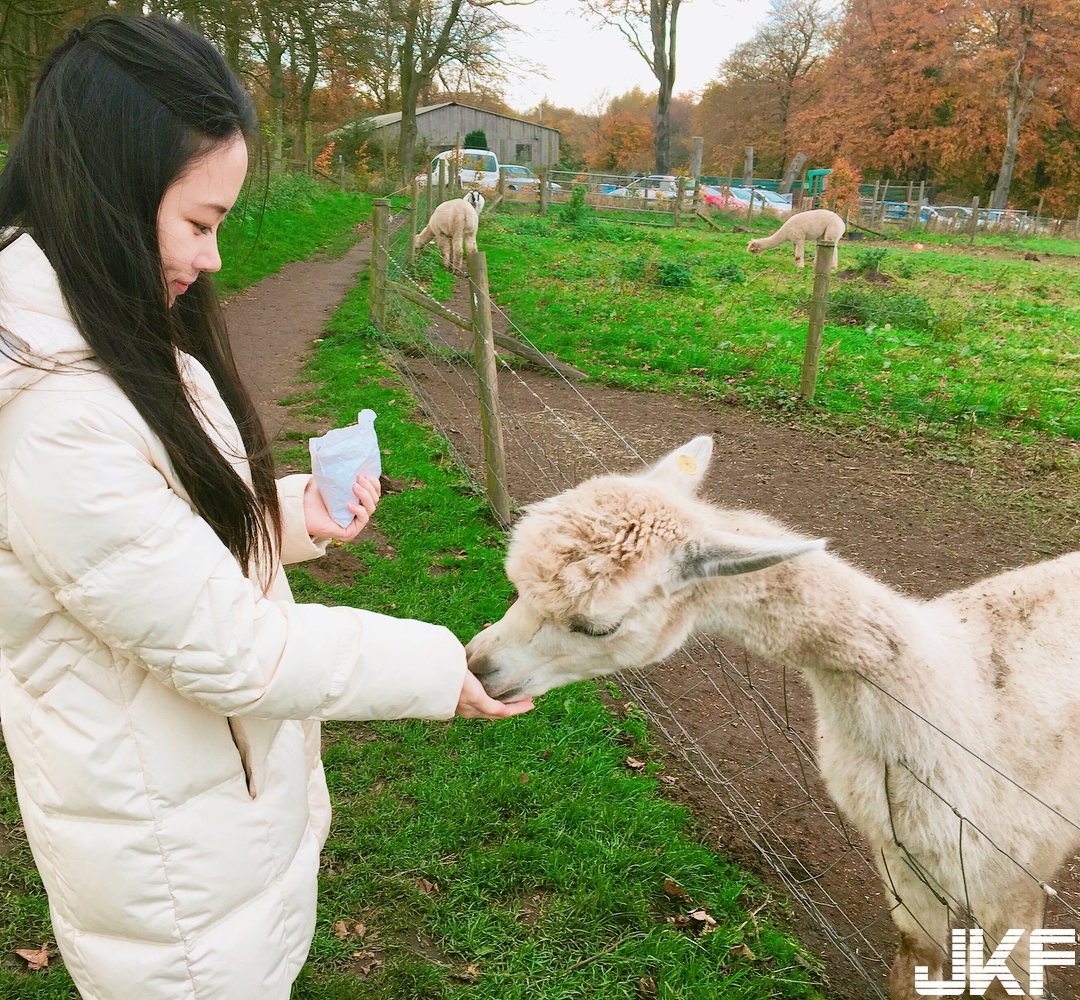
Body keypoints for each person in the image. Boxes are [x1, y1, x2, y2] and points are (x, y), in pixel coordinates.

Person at [0, 15, 532, 999]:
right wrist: (434, 666)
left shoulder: (108, 333)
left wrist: (286, 518)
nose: (209, 259)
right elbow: (240, 652)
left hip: (210, 844)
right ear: (106, 191)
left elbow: (152, 546)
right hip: (174, 895)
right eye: (199, 222)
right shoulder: (53, 419)